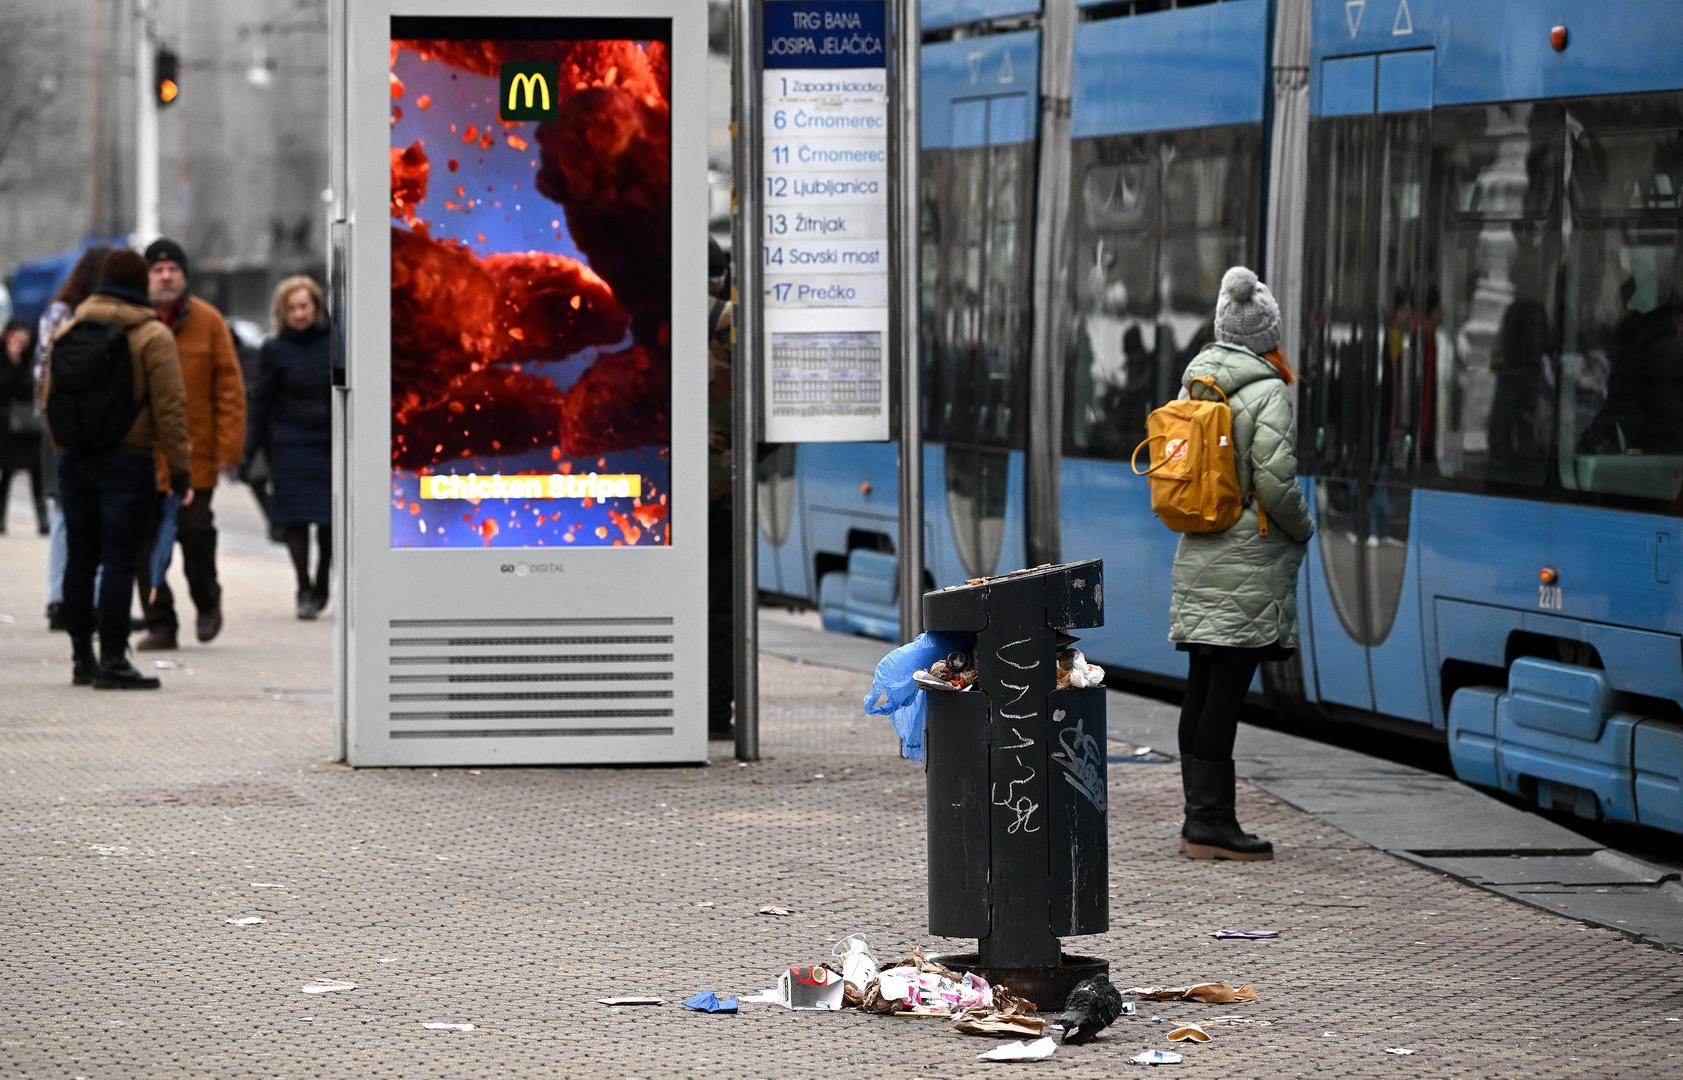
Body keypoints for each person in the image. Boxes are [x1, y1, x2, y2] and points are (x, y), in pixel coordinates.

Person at [1168, 266, 1314, 862]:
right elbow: (1278, 486)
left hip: (1200, 549)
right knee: (1224, 693)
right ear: (1267, 336)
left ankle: (1198, 818)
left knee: (1203, 687)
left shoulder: (1196, 385)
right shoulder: (1267, 391)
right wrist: (1305, 527)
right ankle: (1211, 825)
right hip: (1247, 559)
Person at [44, 248, 192, 690]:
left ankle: (80, 658)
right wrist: (180, 470)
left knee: (80, 560)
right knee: (118, 561)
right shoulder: (151, 335)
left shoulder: (70, 328)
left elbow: (49, 398)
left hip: (75, 460)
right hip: (127, 461)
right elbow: (170, 410)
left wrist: (65, 449)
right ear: (139, 283)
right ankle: (113, 659)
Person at [135, 238, 246, 650]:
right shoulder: (136, 323)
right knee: (143, 544)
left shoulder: (209, 321)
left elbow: (230, 389)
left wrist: (228, 449)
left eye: (173, 270)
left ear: (184, 276)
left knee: (196, 531)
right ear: (147, 277)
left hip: (194, 456)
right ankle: (160, 622)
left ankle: (207, 599)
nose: (166, 277)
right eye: (158, 271)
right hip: (143, 458)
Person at [245, 276, 332, 619]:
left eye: (304, 307)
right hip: (290, 444)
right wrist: (249, 451)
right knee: (296, 522)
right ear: (283, 312)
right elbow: (261, 401)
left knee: (328, 522)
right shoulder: (274, 350)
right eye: (292, 308)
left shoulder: (334, 343)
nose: (299, 314)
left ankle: (323, 578)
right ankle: (303, 586)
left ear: (316, 307)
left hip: (328, 444)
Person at [35, 245, 112, 628]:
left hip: (58, 422)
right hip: (75, 424)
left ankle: (60, 597)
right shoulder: (74, 315)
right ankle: (72, 598)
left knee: (66, 513)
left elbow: (42, 374)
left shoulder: (55, 313)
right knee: (74, 513)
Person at [706, 238, 735, 740]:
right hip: (721, 487)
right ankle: (713, 711)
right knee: (720, 606)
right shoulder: (731, 321)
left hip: (661, 493)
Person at [1, 319, 48, 534]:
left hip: (30, 425)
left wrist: (21, 363)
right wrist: (11, 361)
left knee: (37, 474)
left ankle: (42, 520)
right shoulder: (3, 358)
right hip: (6, 428)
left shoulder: (33, 358)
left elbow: (30, 388)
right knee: (6, 474)